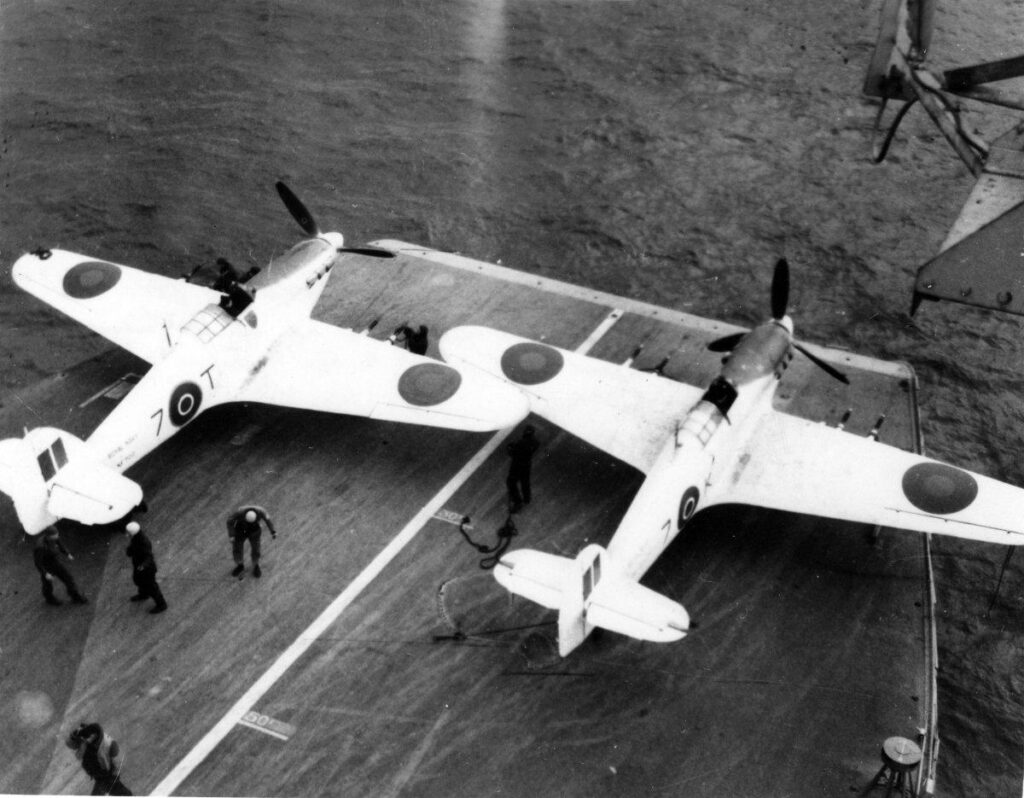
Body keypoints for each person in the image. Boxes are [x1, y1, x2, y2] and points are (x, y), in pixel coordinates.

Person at [65, 721, 132, 795]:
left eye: (75, 746)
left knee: (120, 792)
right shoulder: (89, 743)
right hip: (104, 776)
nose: (75, 749)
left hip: (106, 776)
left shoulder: (91, 747)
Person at [33, 526, 88, 606]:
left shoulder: (54, 538)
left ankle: (75, 596)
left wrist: (67, 553)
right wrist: (45, 573)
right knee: (47, 585)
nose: (57, 537)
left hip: (55, 562)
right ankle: (50, 599)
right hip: (46, 566)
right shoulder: (40, 547)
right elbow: (38, 562)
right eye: (55, 536)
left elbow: (60, 544)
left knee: (68, 578)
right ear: (49, 536)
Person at [125, 522, 167, 614]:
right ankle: (143, 594)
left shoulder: (143, 542)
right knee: (139, 581)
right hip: (140, 567)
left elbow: (149, 556)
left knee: (152, 587)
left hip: (147, 570)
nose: (126, 534)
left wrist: (143, 565)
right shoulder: (135, 539)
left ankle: (161, 604)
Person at [227, 505, 277, 578]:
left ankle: (256, 565)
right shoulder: (239, 512)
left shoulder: (261, 511)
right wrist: (232, 535)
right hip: (240, 530)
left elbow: (268, 520)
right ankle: (240, 565)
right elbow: (229, 521)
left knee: (256, 549)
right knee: (237, 548)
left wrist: (273, 531)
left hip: (254, 531)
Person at [506, 425, 540, 513]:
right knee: (525, 482)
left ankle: (518, 501)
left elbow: (513, 453)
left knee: (511, 482)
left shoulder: (520, 443)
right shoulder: (536, 443)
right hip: (527, 464)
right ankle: (527, 499)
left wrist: (510, 448)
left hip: (517, 464)